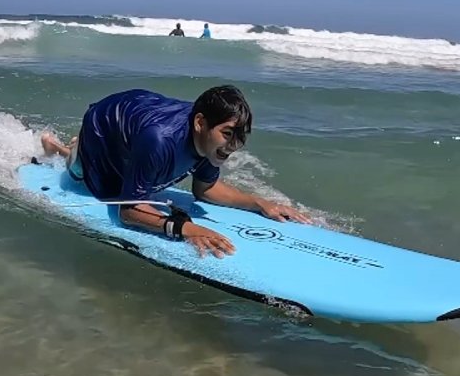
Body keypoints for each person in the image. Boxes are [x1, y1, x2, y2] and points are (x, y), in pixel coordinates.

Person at [40, 85, 311, 258]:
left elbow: (205, 189)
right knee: (84, 179)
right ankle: (68, 151)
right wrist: (184, 228)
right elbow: (128, 211)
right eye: (228, 134)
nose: (233, 146)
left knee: (139, 174)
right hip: (105, 124)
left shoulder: (209, 141)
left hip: (139, 122)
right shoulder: (160, 141)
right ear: (200, 123)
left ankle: (72, 148)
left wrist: (259, 203)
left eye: (240, 137)